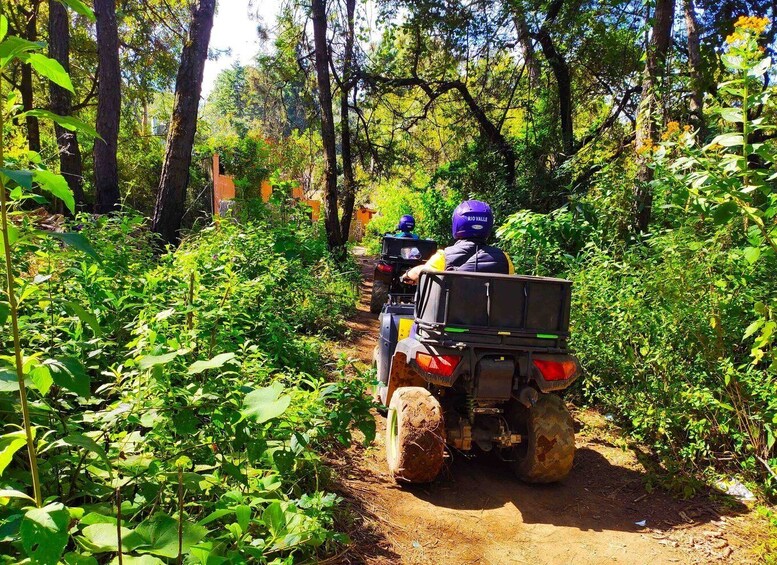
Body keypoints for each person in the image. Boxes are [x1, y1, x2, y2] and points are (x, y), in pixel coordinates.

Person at [403, 200, 514, 283]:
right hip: (492, 314)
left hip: (451, 315)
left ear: (457, 224)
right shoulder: (504, 259)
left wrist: (407, 274)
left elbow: (421, 272)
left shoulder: (444, 257)